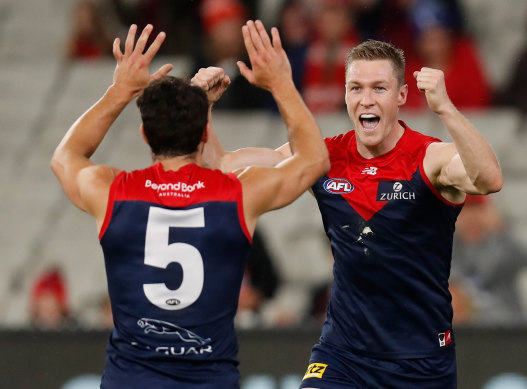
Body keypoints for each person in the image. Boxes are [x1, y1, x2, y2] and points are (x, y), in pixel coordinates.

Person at [203, 38, 503, 387]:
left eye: (379, 88)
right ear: (345, 95)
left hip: (419, 362)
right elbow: (222, 168)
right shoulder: (323, 157)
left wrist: (446, 108)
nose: (366, 99)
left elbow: (489, 179)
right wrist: (203, 109)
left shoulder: (428, 157)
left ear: (401, 96)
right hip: (343, 355)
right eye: (356, 88)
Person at [51, 21, 329, 388]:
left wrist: (120, 90)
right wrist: (280, 83)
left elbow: (66, 156)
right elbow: (314, 159)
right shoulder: (238, 193)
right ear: (204, 134)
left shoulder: (112, 192)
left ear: (145, 135)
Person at [450, 195, 527, 325]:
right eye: (464, 209)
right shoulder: (448, 246)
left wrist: (502, 229)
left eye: (476, 209)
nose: (470, 216)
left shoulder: (501, 242)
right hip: (464, 330)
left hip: (504, 326)